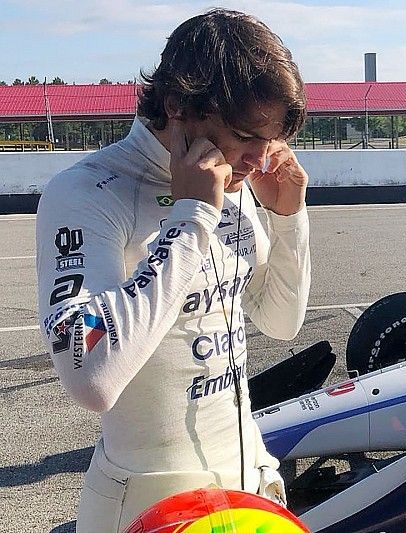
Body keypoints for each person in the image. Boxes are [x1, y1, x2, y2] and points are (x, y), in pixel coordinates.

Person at [35, 9, 311, 532]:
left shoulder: (234, 182)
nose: (260, 159)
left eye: (269, 140)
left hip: (247, 483)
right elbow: (91, 377)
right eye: (244, 136)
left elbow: (281, 323)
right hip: (145, 504)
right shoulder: (88, 191)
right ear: (177, 105)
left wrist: (289, 217)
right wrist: (191, 217)